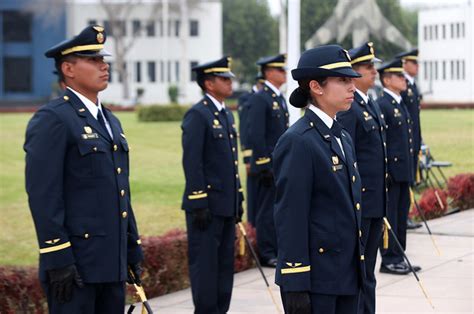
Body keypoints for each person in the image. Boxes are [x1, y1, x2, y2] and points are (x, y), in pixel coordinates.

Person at [24, 25, 143, 313]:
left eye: (103, 60)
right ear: (68, 69)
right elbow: (44, 195)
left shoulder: (111, 121)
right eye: (93, 60)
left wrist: (130, 248)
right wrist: (57, 256)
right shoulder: (53, 119)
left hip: (109, 263)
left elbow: (119, 189)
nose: (104, 66)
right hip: (75, 267)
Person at [273, 45, 365, 314]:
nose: (352, 87)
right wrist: (295, 282)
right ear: (316, 86)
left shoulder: (342, 136)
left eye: (352, 80)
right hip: (318, 282)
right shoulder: (299, 142)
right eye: (343, 80)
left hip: (345, 274)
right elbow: (291, 216)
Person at [181, 56, 244, 314]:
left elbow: (230, 163)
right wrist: (198, 200)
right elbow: (192, 161)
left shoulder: (226, 115)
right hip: (206, 207)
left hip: (225, 205)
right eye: (223, 78)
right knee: (206, 268)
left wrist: (237, 200)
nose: (230, 83)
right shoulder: (198, 115)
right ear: (208, 83)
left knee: (223, 267)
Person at [336, 42, 387, 314]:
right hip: (361, 203)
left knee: (369, 272)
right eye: (368, 67)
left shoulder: (369, 104)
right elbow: (348, 159)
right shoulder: (351, 109)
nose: (374, 72)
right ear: (354, 72)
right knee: (359, 273)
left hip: (375, 203)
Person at [377, 59, 422, 275]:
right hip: (392, 173)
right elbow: (383, 142)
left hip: (404, 170)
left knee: (401, 215)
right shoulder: (383, 104)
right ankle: (389, 258)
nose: (404, 79)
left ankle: (399, 254)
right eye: (399, 76)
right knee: (391, 216)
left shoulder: (399, 103)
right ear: (387, 80)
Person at [247, 54, 289, 267]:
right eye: (280, 70)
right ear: (269, 73)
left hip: (278, 163)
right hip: (267, 165)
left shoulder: (278, 98)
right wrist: (263, 163)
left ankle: (275, 248)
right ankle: (267, 252)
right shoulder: (260, 98)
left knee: (277, 208)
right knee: (266, 210)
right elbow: (256, 134)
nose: (284, 73)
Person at [396, 48, 423, 230]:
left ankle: (405, 215)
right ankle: (403, 218)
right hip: (404, 142)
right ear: (405, 64)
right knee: (404, 182)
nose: (417, 66)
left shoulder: (412, 86)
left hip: (412, 141)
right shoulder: (403, 86)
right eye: (413, 63)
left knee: (410, 179)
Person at [237, 73, 265, 226]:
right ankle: (252, 223)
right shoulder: (247, 99)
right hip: (254, 154)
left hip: (265, 155)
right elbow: (246, 129)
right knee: (254, 191)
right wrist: (247, 158)